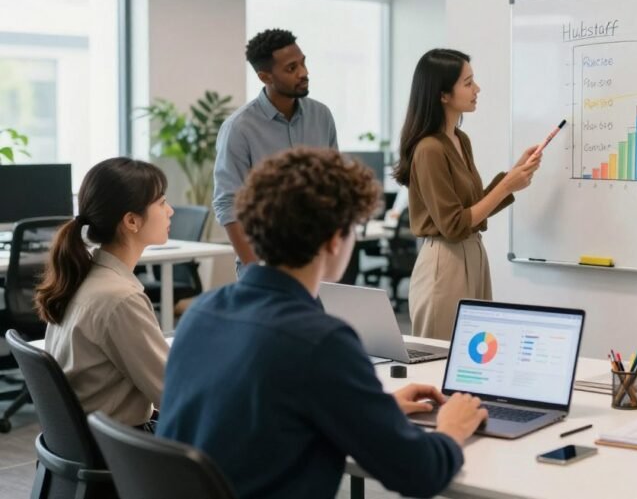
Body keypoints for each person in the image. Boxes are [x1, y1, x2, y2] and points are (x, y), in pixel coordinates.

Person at [157, 147, 487, 499]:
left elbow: (268, 411)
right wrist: (452, 427)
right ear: (333, 241)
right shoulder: (320, 341)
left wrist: (376, 408)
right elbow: (420, 473)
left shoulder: (202, 312)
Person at [393, 49, 541, 339]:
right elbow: (454, 224)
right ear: (443, 95)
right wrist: (506, 186)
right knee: (440, 357)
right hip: (445, 262)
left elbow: (473, 208)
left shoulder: (460, 140)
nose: (477, 89)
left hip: (473, 254)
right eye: (468, 83)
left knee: (477, 355)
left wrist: (513, 174)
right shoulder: (429, 149)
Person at [35, 157, 172, 431]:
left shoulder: (81, 277)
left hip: (89, 440)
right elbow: (173, 392)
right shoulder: (120, 299)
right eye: (161, 203)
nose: (170, 211)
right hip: (120, 445)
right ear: (131, 221)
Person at [213, 28, 338, 271]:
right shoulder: (239, 128)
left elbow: (334, 186)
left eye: (303, 63)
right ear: (265, 77)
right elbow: (228, 203)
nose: (304, 72)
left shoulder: (321, 116)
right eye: (291, 68)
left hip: (318, 260)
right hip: (264, 263)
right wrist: (255, 267)